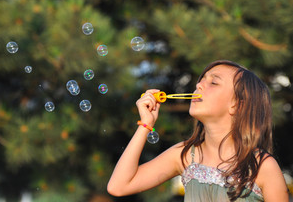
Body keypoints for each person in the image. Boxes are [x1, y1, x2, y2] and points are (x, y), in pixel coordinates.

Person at [107, 60, 289, 201]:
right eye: (201, 81)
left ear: (237, 105)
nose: (199, 86)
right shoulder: (186, 155)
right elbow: (119, 186)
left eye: (214, 83)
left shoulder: (261, 167)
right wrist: (145, 124)